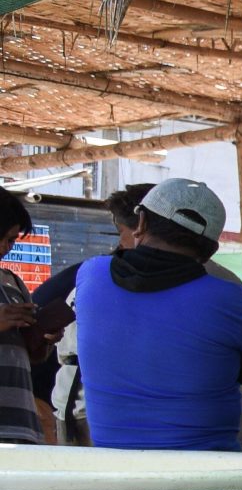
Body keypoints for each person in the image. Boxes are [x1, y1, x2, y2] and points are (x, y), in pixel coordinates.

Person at [73, 179, 242, 452]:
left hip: (115, 464)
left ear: (140, 224)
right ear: (210, 250)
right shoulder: (232, 297)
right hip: (210, 470)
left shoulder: (92, 274)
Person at [30, 183, 154, 444]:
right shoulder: (101, 274)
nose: (119, 242)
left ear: (141, 227)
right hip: (81, 404)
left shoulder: (105, 273)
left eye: (120, 232)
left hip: (90, 403)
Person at [0, 190, 42, 445]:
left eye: (11, 240)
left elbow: (34, 357)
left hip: (20, 424)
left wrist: (43, 337)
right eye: (2, 238)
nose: (6, 247)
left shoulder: (12, 282)